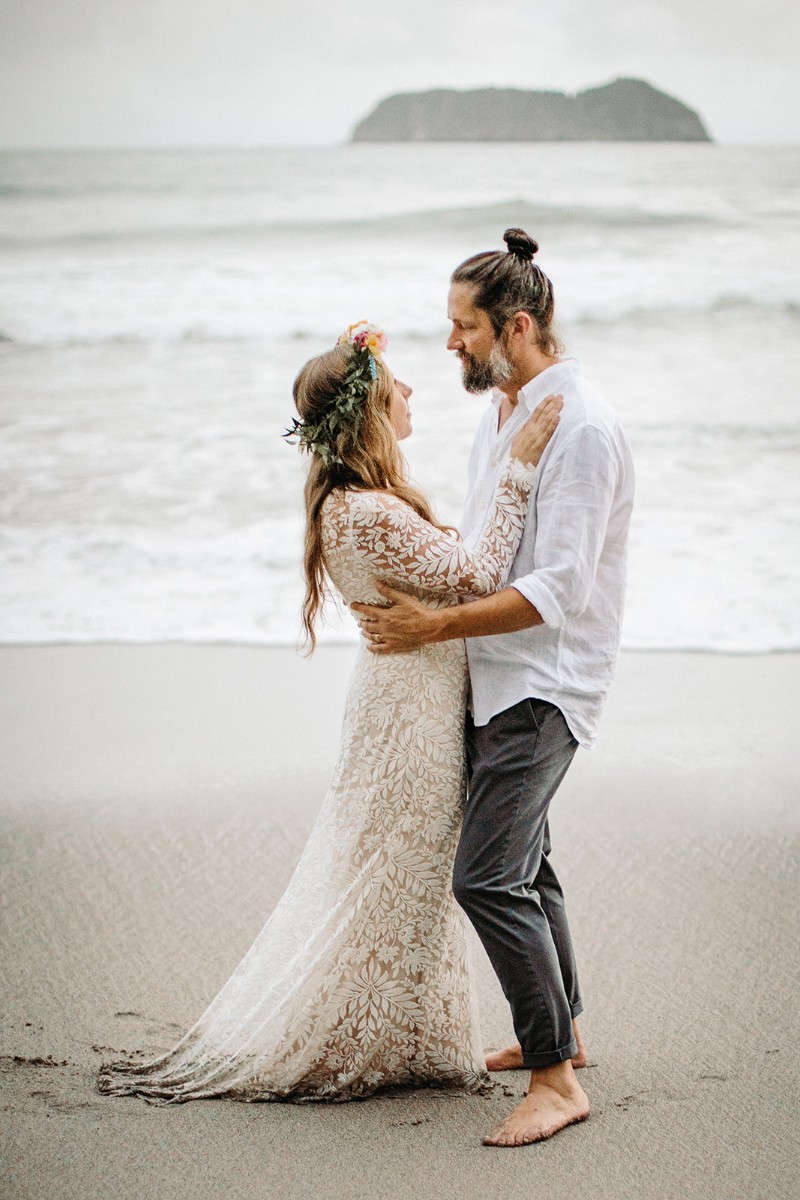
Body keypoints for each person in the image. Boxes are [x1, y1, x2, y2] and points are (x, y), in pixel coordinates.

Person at [97, 319, 562, 1105]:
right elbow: (481, 574)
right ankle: (370, 1039)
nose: (409, 390)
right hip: (410, 717)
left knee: (402, 874)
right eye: (393, 386)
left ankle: (402, 1037)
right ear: (370, 414)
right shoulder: (370, 511)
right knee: (399, 874)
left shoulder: (353, 504)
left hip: (402, 700)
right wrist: (518, 468)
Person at [352, 230, 635, 1146]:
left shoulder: (579, 427)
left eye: (463, 327)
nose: (450, 344)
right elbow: (486, 548)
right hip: (497, 677)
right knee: (527, 865)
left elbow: (561, 589)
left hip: (545, 685)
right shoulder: (506, 413)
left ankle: (555, 1080)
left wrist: (433, 628)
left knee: (486, 876)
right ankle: (565, 1032)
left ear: (516, 326)